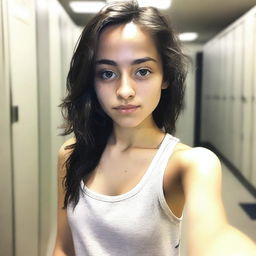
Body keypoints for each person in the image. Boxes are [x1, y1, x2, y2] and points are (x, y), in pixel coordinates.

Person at [53, 1, 256, 255]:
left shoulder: (188, 164)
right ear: (91, 81)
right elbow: (63, 247)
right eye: (107, 73)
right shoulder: (71, 154)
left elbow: (215, 237)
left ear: (166, 77)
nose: (124, 91)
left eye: (143, 71)